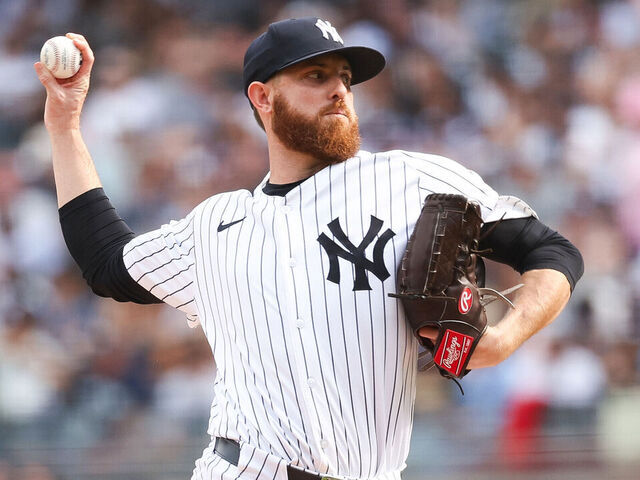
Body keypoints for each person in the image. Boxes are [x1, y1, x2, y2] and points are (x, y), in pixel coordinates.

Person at [35, 17, 583, 480]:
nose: (339, 89)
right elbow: (106, 261)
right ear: (262, 96)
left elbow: (551, 251)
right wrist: (64, 123)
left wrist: (508, 337)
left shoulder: (412, 181)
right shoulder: (216, 224)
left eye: (345, 77)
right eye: (315, 76)